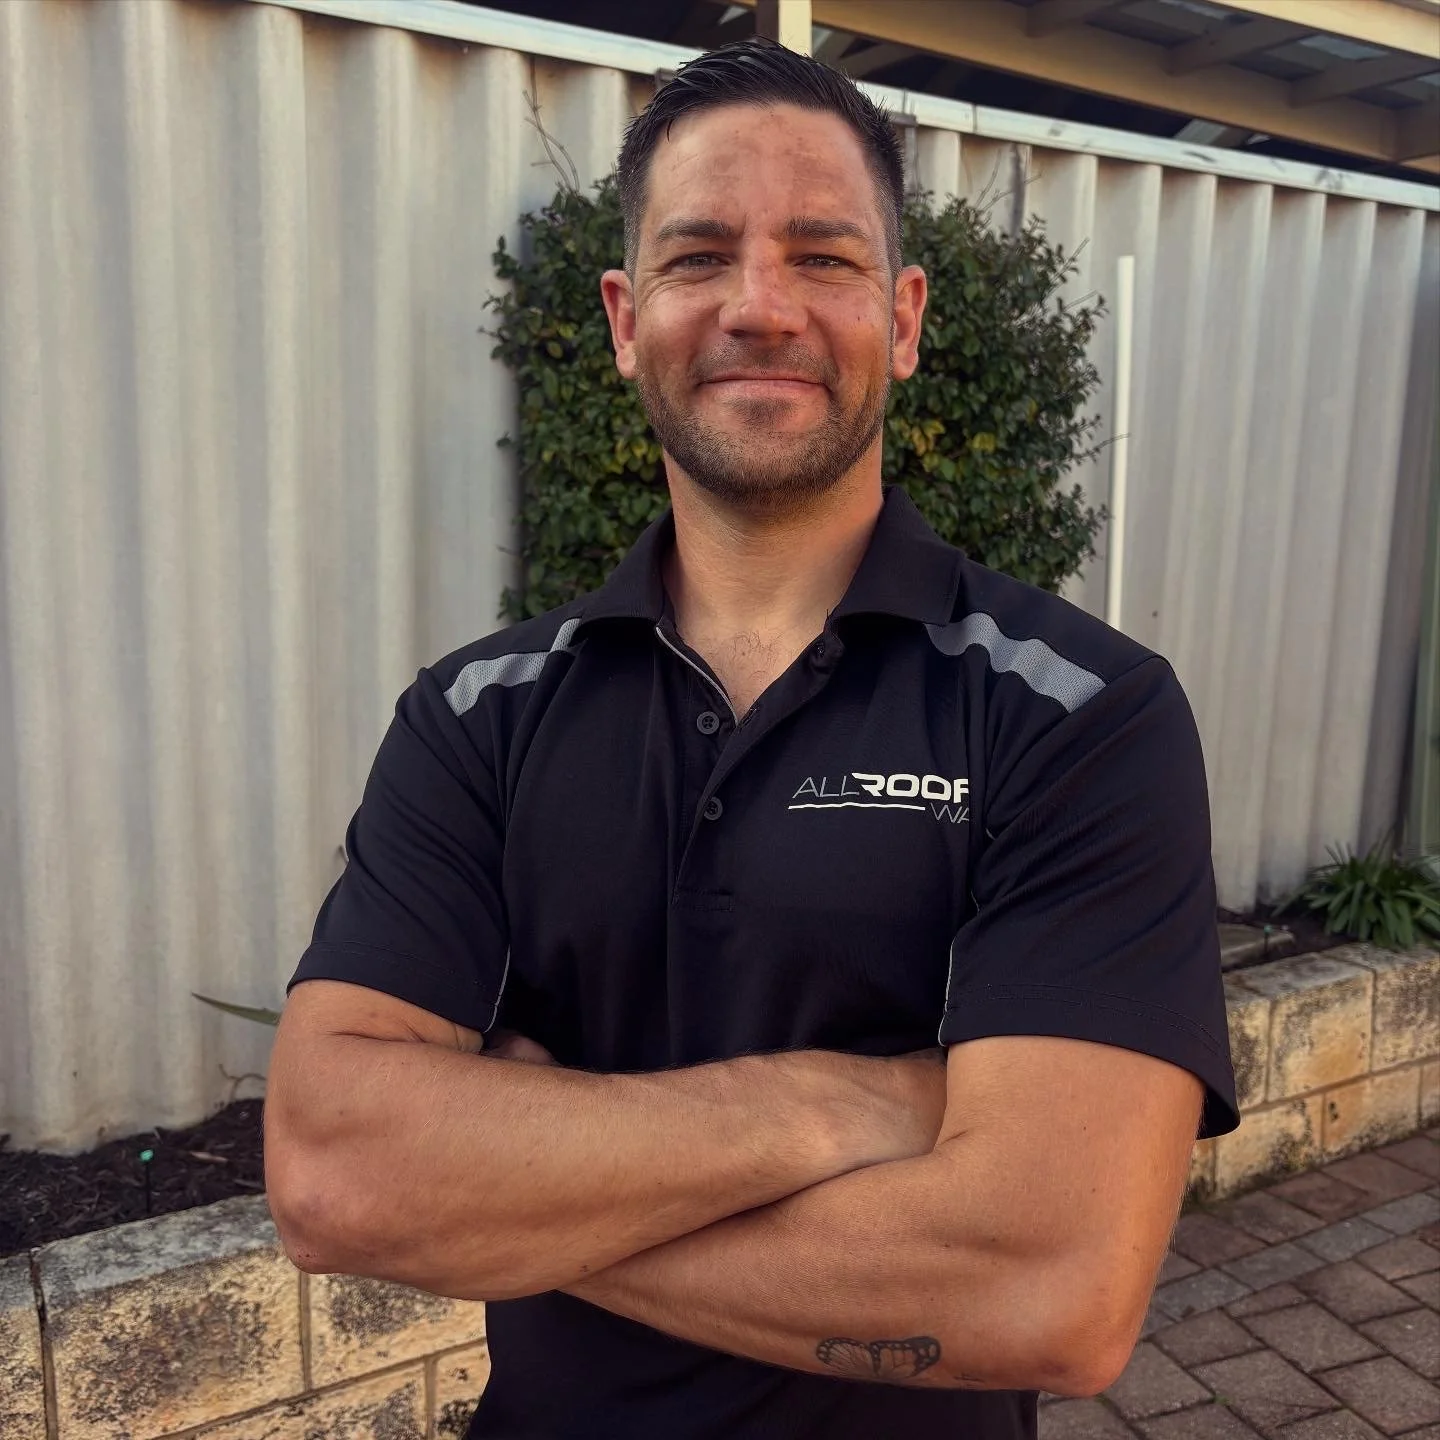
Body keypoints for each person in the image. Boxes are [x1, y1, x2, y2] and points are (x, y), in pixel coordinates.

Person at [264, 36, 1239, 1440]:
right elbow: (335, 1173)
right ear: (624, 316)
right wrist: (833, 1107)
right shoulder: (479, 719)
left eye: (824, 257)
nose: (760, 306)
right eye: (699, 254)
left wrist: (517, 1193)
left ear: (903, 319)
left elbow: (1049, 1290)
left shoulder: (1079, 716)